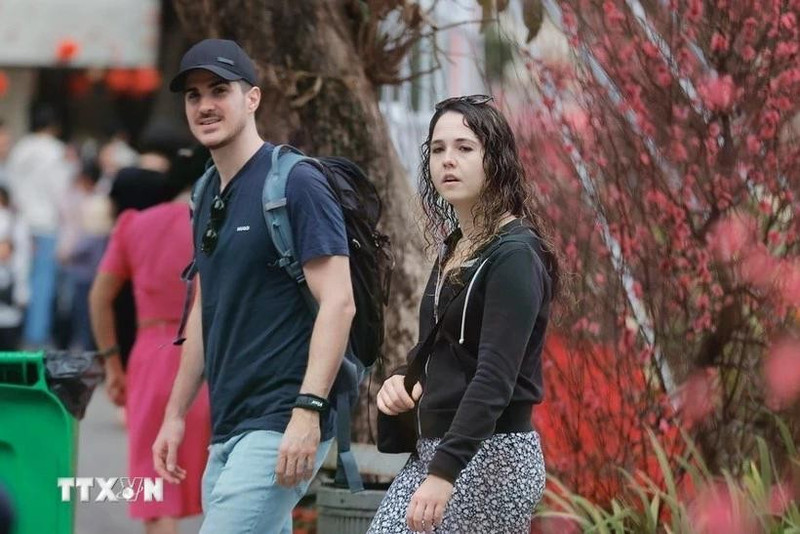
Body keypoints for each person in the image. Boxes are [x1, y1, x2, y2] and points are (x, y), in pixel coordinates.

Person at [152, 39, 355, 534]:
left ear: (253, 98)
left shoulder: (294, 183)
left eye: (219, 90)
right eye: (194, 95)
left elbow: (340, 303)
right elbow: (206, 307)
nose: (205, 106)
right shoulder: (205, 193)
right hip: (228, 426)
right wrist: (175, 413)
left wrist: (307, 412)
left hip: (281, 419)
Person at [369, 95, 560, 534]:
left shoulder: (514, 256)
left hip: (491, 458)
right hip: (439, 452)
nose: (447, 161)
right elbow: (447, 351)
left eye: (464, 148)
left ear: (495, 160)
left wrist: (443, 475)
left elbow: (494, 376)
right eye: (438, 150)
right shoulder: (457, 247)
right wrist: (405, 380)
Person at [89, 145, 211, 534]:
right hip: (207, 356)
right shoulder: (208, 223)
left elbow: (99, 298)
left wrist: (111, 363)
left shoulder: (132, 226)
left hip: (150, 357)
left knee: (154, 488)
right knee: (219, 480)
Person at [5, 104, 74, 348]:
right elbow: (61, 193)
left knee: (17, 279)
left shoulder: (21, 148)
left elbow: (11, 189)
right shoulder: (56, 151)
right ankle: (35, 339)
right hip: (46, 225)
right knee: (42, 286)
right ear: (54, 126)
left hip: (21, 222)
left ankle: (13, 331)